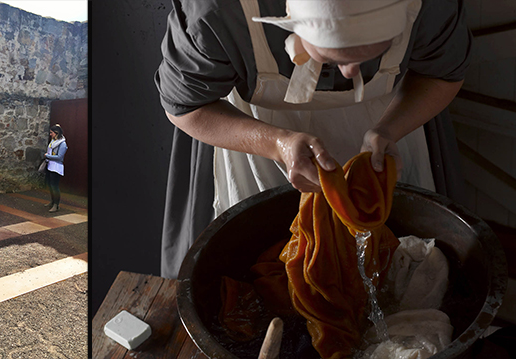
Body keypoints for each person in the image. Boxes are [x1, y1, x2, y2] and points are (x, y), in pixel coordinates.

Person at [154, 0, 469, 278]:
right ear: (289, 17)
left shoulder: (432, 4)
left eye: (374, 53)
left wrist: (389, 129)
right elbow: (186, 108)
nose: (350, 74)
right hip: (257, 132)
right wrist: (278, 144)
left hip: (392, 112)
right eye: (337, 57)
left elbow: (441, 75)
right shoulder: (216, 11)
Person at [42, 124, 66, 213]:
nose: (50, 134)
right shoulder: (53, 141)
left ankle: (56, 205)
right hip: (50, 166)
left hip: (56, 167)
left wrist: (47, 156)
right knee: (50, 185)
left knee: (54, 186)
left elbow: (59, 157)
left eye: (51, 133)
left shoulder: (62, 144)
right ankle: (52, 202)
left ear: (56, 133)